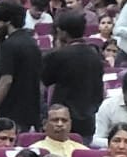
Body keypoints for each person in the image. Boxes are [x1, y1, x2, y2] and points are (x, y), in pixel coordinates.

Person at [43, 11, 105, 141]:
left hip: (61, 121)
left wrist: (57, 49)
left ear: (62, 32)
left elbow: (44, 81)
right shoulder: (96, 55)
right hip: (89, 119)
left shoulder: (58, 55)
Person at [0, 1, 42, 132]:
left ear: (8, 21)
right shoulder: (32, 42)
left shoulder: (9, 45)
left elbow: (6, 80)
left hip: (11, 111)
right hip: (31, 111)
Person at [94, 74, 127, 149]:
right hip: (115, 154)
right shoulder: (108, 106)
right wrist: (117, 142)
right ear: (124, 91)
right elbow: (96, 140)